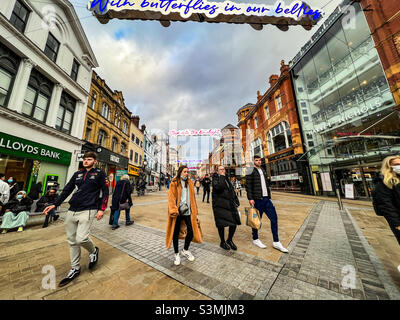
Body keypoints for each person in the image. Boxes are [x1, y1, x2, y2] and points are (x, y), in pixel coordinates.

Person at [43, 152, 109, 287]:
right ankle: (75, 268)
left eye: (89, 159)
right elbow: (67, 189)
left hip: (89, 209)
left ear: (94, 161)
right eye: (84, 159)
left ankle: (93, 250)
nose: (86, 161)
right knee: (72, 241)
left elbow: (105, 191)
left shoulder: (100, 174)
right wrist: (55, 204)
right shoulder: (77, 174)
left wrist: (102, 208)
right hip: (72, 209)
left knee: (81, 238)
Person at [245, 156, 288, 252]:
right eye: (256, 160)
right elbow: (248, 186)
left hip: (266, 199)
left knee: (274, 218)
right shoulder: (250, 170)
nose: (258, 161)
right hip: (257, 199)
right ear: (253, 161)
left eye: (260, 160)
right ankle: (255, 239)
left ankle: (276, 241)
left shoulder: (263, 170)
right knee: (256, 221)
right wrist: (250, 198)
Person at [166, 165, 202, 266]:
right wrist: (173, 209)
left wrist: (195, 210)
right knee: (175, 233)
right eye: (185, 171)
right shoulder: (174, 182)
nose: (187, 173)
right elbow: (171, 197)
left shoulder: (190, 183)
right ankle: (176, 253)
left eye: (187, 172)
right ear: (180, 172)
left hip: (188, 211)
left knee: (191, 231)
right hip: (177, 212)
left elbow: (193, 198)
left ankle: (185, 250)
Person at [372, 155, 400, 271]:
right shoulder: (384, 182)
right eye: (396, 164)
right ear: (388, 166)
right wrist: (397, 223)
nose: (399, 166)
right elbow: (386, 206)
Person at [212, 166, 241, 251]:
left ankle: (229, 239)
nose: (223, 170)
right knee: (221, 224)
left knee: (234, 223)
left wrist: (236, 200)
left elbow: (231, 190)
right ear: (217, 171)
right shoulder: (216, 178)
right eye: (220, 169)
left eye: (223, 169)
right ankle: (222, 242)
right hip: (220, 205)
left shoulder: (226, 178)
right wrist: (221, 176)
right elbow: (218, 187)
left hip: (230, 204)